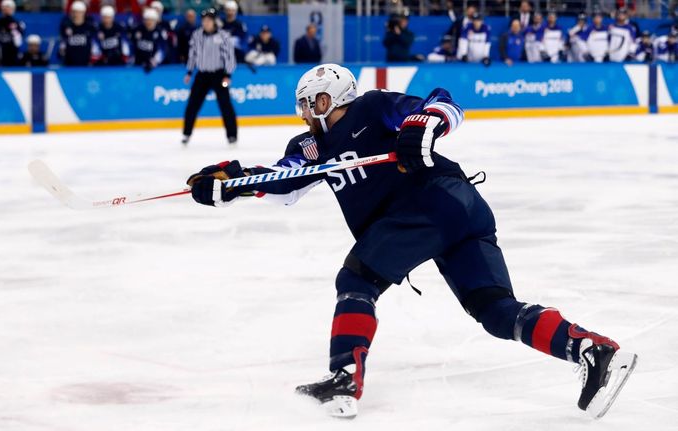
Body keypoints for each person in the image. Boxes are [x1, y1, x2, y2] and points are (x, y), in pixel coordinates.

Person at [184, 63, 638, 420]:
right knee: (495, 311)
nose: (303, 113)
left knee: (357, 279)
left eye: (308, 103)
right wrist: (233, 181)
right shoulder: (310, 147)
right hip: (458, 211)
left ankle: (343, 380)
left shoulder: (373, 107)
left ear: (328, 98)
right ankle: (592, 349)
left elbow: (443, 104)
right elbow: (286, 181)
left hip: (430, 203)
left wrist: (423, 125)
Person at [182, 8, 237, 146]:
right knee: (192, 105)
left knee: (225, 105)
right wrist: (189, 72)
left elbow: (229, 57)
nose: (205, 23)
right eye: (204, 20)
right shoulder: (196, 35)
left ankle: (232, 135)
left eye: (208, 20)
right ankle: (186, 133)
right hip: (202, 75)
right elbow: (192, 55)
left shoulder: (223, 36)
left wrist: (227, 75)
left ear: (213, 21)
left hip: (218, 75)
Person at [58, 1, 97, 66]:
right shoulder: (66, 25)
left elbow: (94, 43)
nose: (77, 14)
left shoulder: (89, 26)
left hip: (85, 63)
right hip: (69, 63)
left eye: (79, 12)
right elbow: (63, 42)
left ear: (84, 12)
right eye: (75, 12)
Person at [131, 8, 166, 73]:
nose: (149, 22)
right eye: (147, 20)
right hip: (137, 62)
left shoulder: (160, 32)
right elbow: (132, 45)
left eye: (151, 20)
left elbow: (162, 50)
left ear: (155, 21)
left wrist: (153, 62)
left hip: (153, 65)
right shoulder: (138, 29)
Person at [0, 0, 25, 66]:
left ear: (13, 9)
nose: (5, 9)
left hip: (11, 54)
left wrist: (13, 29)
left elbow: (18, 43)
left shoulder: (18, 24)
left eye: (8, 7)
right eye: (4, 7)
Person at [220, 0, 247, 64]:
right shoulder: (220, 23)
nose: (230, 13)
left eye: (232, 10)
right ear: (225, 11)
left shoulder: (240, 25)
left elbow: (243, 39)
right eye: (228, 10)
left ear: (236, 11)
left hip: (236, 51)